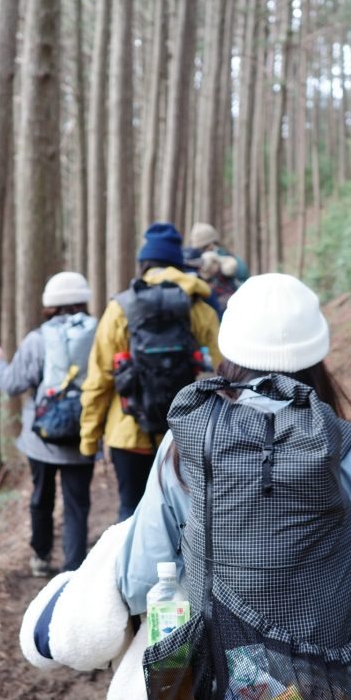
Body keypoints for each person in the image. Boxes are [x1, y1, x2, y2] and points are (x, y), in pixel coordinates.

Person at [115, 273, 351, 700]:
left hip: (220, 683)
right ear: (319, 353)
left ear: (229, 347)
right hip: (333, 687)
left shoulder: (187, 443)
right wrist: (330, 618)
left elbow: (138, 583)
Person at [79, 222, 221, 522]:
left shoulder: (121, 309)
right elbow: (223, 373)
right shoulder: (199, 308)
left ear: (144, 264)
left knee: (131, 515)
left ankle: (132, 568)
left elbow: (100, 379)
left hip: (129, 433)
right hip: (185, 435)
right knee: (185, 515)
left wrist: (89, 439)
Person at [0, 271, 97, 576]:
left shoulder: (37, 339)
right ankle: (74, 569)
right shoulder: (97, 334)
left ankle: (41, 557)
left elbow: (14, 384)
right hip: (83, 433)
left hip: (41, 437)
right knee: (76, 503)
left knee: (41, 497)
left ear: (50, 305)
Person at [186, 222, 249, 312]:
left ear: (211, 244)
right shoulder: (194, 261)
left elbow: (244, 283)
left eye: (203, 247)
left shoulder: (232, 261)